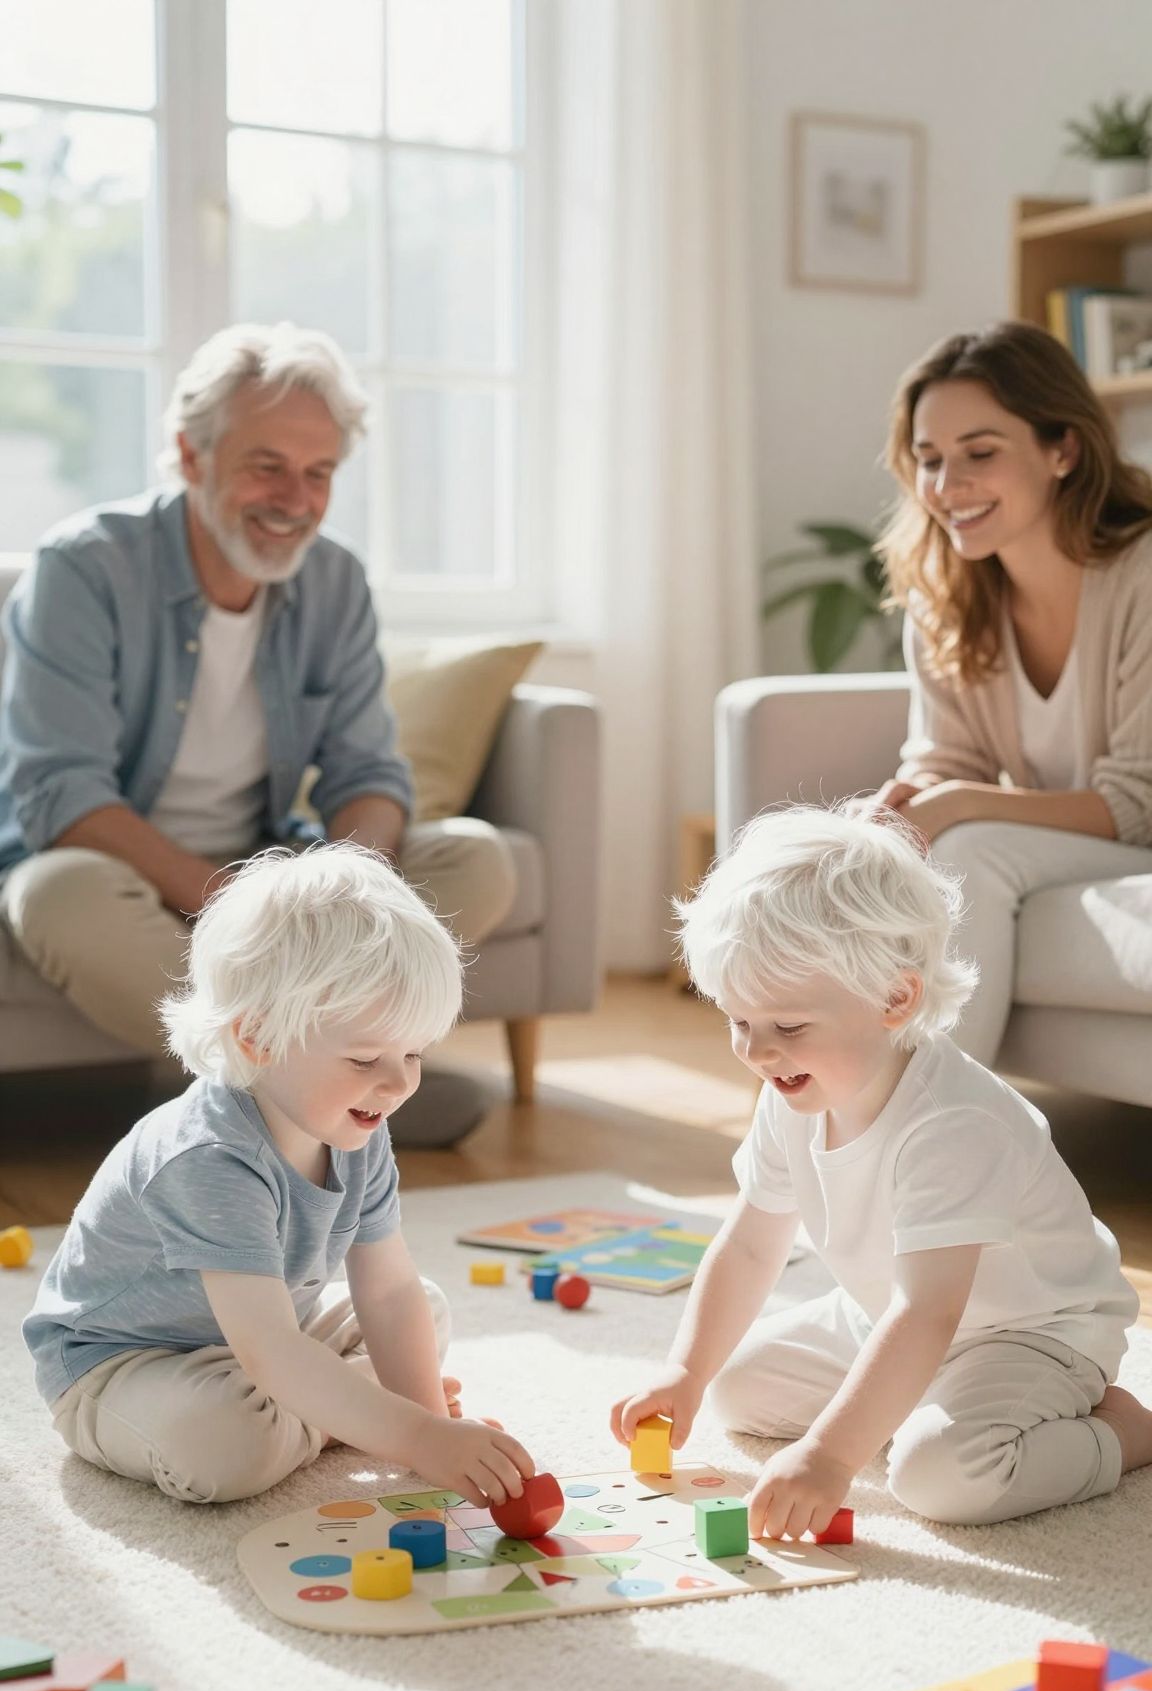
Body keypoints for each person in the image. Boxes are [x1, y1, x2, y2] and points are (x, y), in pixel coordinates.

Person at [0, 322, 518, 1145]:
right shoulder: (85, 569)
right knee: (55, 895)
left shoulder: (335, 581)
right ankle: (320, 1098)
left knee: (476, 857)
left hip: (270, 869)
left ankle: (260, 1097)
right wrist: (250, 914)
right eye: (267, 466)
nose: (296, 500)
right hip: (124, 880)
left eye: (319, 474)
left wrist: (348, 896)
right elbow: (63, 799)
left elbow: (370, 775)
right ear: (192, 454)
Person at [610, 806, 1152, 1535]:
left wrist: (831, 1456)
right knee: (737, 1387)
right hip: (887, 1311)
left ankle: (1125, 1433)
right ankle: (906, 1394)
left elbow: (930, 1311)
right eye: (740, 1023)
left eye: (789, 1027)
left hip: (1032, 1330)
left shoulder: (954, 1123)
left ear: (895, 999)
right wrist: (685, 1371)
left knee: (940, 1477)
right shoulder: (791, 1091)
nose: (758, 1054)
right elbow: (748, 1245)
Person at [24, 842, 535, 1507]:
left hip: (261, 1338)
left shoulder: (353, 1126)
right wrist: (415, 1437)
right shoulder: (209, 1157)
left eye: (413, 1051)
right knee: (223, 1448)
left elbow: (385, 1295)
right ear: (256, 1039)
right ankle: (340, 1413)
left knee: (421, 1308)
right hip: (123, 1365)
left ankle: (341, 1406)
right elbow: (269, 1350)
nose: (399, 1082)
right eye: (364, 1058)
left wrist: (430, 1423)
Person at [867, 319, 1152, 1065]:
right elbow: (947, 756)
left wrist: (958, 802)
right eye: (929, 460)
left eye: (980, 454)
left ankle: (936, 1144)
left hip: (1142, 842)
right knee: (865, 853)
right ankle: (831, 1135)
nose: (946, 487)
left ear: (1064, 449)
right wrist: (912, 799)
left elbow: (1138, 805)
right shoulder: (944, 597)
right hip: (1070, 846)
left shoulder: (1142, 577)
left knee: (977, 850)